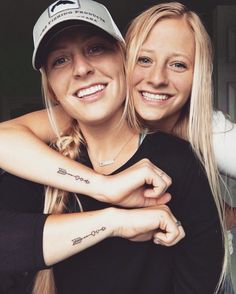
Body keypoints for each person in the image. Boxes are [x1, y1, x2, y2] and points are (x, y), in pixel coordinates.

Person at [0, 0, 227, 293]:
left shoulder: (180, 161)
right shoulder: (38, 164)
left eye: (96, 48)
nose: (81, 68)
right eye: (60, 60)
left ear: (124, 58)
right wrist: (112, 218)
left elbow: (199, 280)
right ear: (51, 86)